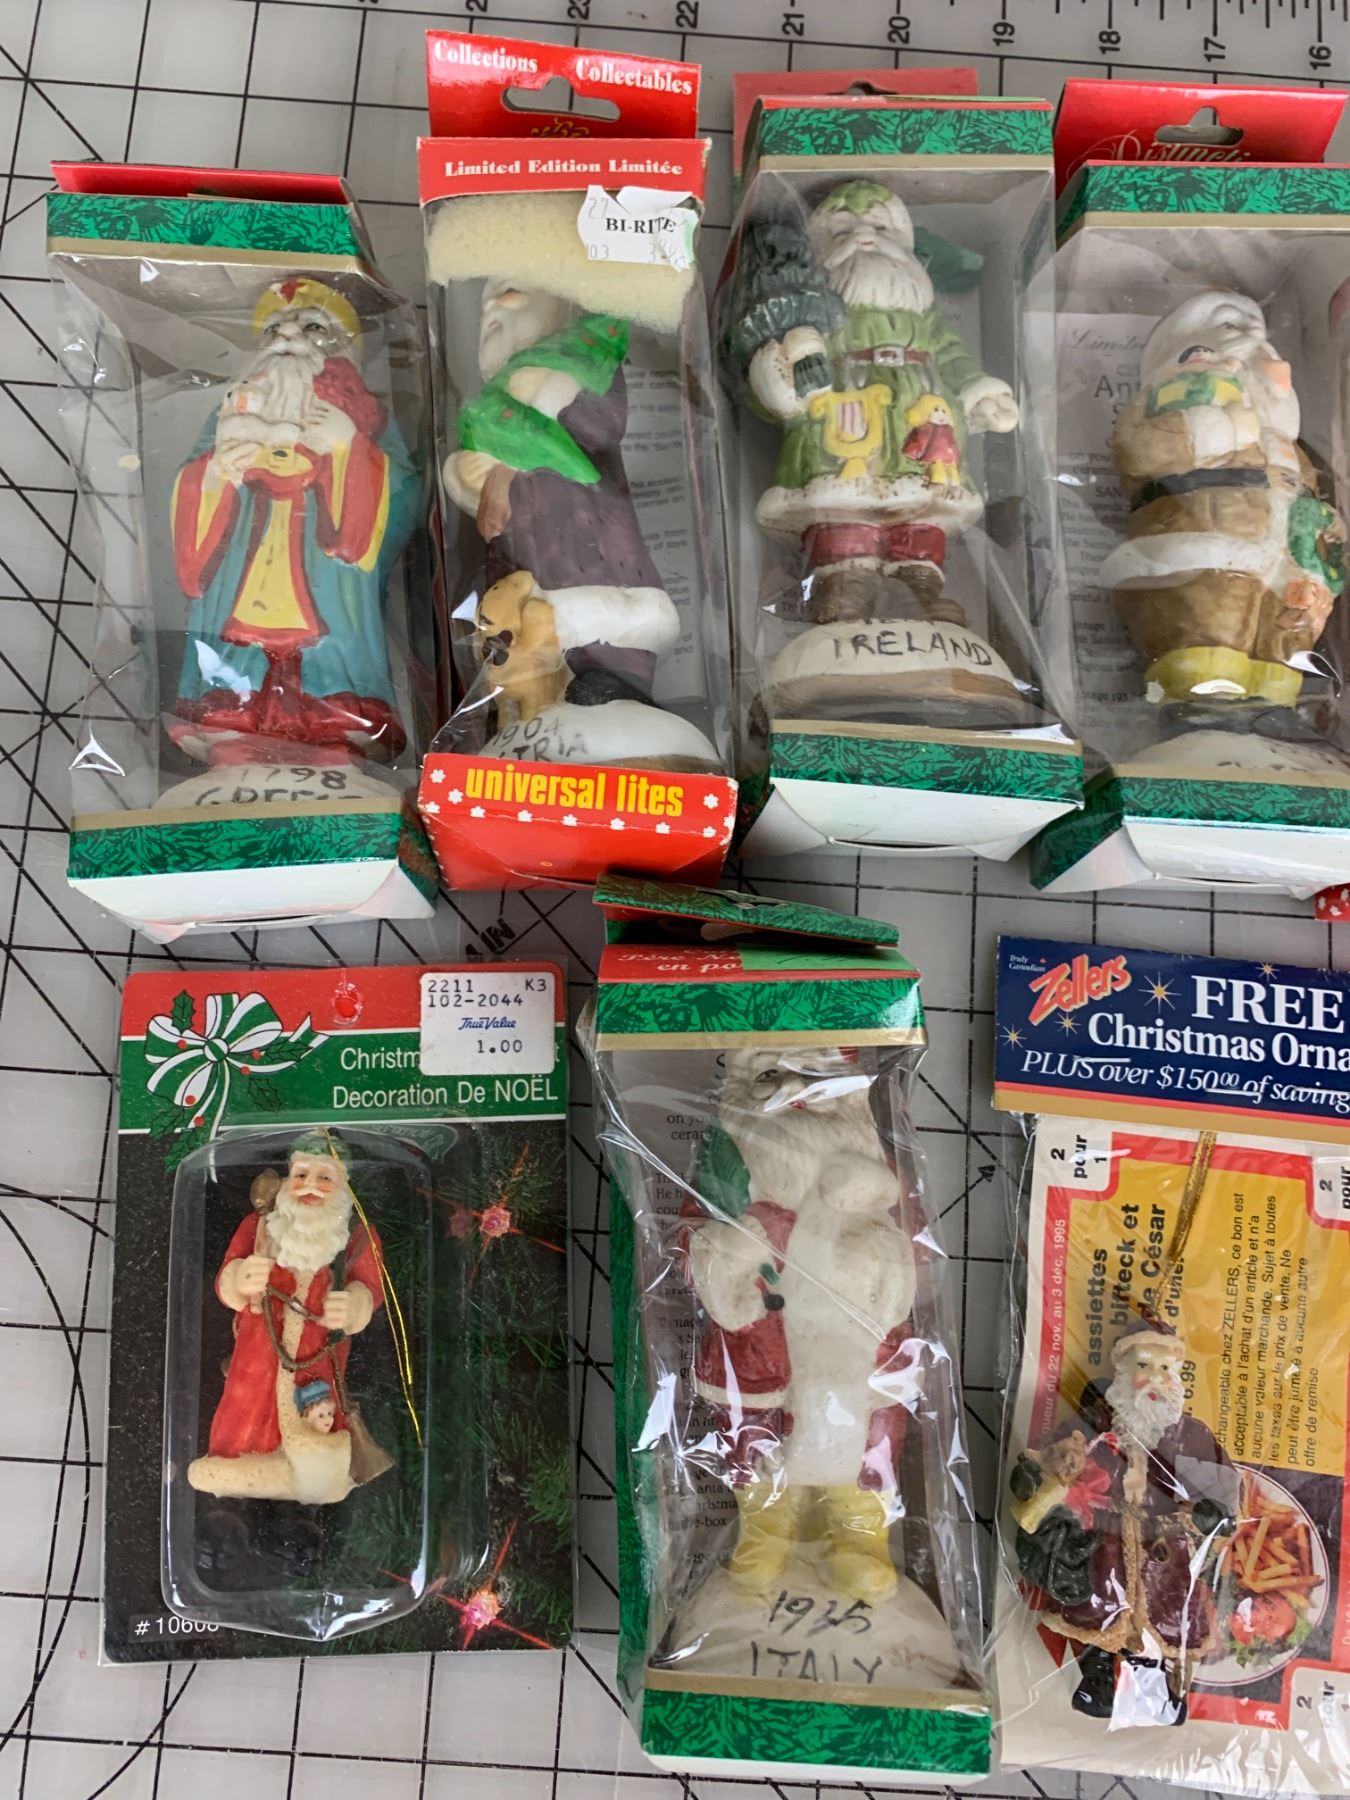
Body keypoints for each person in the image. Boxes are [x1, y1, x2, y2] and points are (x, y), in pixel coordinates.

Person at [170, 277, 418, 761]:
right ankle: (234, 744)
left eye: (311, 327)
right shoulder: (231, 410)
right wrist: (218, 472)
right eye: (274, 329)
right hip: (244, 567)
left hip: (326, 582)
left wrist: (349, 447)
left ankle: (333, 747)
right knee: (236, 672)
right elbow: (189, 487)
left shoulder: (364, 415)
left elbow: (405, 496)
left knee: (330, 683)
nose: (287, 337)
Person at [1010, 1319, 1238, 1725]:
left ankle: (1157, 1691)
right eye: (1144, 1365)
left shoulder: (1190, 1437)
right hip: (1104, 1544)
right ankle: (1096, 1678)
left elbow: (1221, 1494)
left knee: (1164, 1619)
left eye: (1165, 1369)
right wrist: (1038, 1477)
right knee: (1098, 1612)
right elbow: (1050, 1459)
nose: (1155, 1378)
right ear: (1121, 1371)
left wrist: (1212, 1514)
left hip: (1165, 1553)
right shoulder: (1089, 1429)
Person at [187, 1130, 387, 1505]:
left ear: (343, 1183)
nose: (311, 1185)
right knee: (247, 1408)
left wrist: (355, 1304)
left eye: (325, 1177)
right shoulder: (261, 1226)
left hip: (318, 1361)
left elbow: (371, 1286)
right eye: (302, 1174)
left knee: (318, 1418)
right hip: (258, 1352)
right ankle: (240, 1463)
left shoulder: (355, 1235)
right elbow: (226, 1277)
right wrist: (239, 1279)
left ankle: (311, 1476)